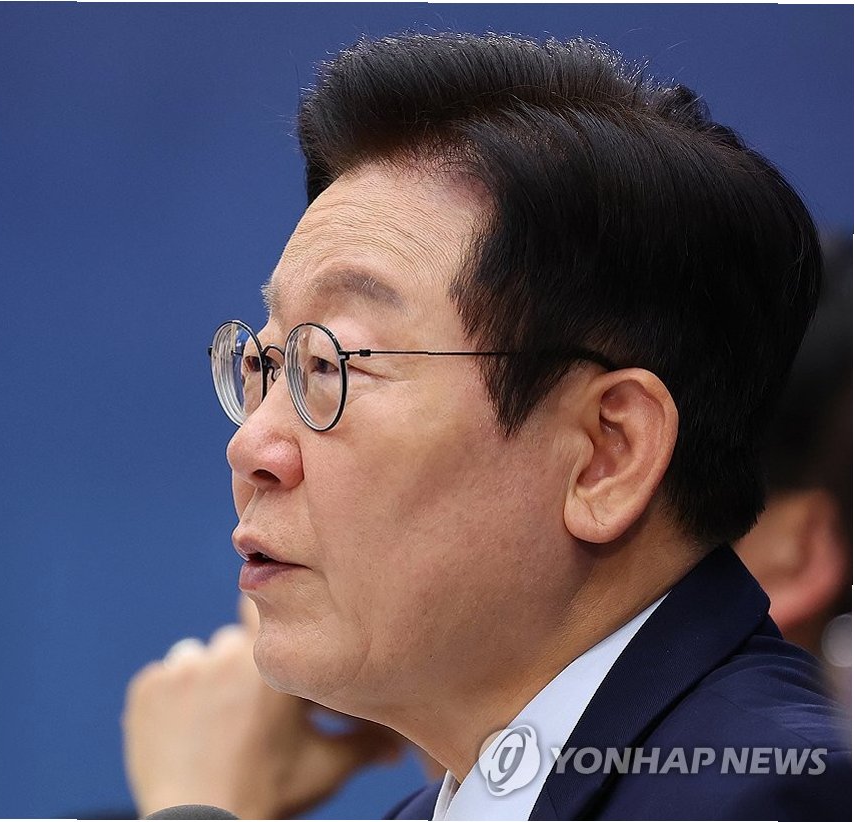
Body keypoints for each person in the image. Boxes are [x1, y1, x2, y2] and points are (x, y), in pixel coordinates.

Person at [127, 32, 850, 820]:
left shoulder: (765, 796)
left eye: (331, 365)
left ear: (606, 455)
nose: (251, 448)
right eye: (266, 366)